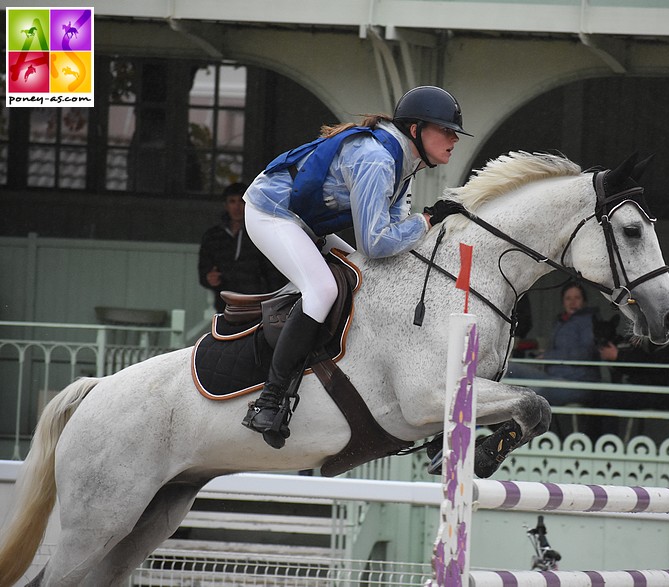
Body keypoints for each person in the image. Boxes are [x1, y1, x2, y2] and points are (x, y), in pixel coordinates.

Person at [240, 86, 471, 448]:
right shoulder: (377, 160)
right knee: (323, 290)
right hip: (270, 213)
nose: (453, 138)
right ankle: (269, 401)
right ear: (415, 130)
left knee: (364, 278)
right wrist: (426, 221)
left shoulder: (404, 163)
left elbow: (390, 238)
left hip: (305, 221)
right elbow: (376, 242)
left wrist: (424, 224)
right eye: (445, 130)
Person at [507, 283, 601, 406]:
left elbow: (586, 353)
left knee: (533, 395)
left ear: (584, 301)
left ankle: (515, 425)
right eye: (568, 298)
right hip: (552, 377)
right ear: (563, 302)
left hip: (577, 382)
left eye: (577, 298)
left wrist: (550, 356)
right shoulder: (561, 321)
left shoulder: (591, 321)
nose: (572, 302)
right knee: (509, 368)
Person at [198, 182, 287, 313]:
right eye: (232, 201)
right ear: (225, 205)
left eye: (242, 201)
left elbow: (273, 272)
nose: (237, 207)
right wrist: (209, 278)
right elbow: (204, 270)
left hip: (258, 301)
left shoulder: (261, 233)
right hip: (226, 302)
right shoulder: (213, 236)